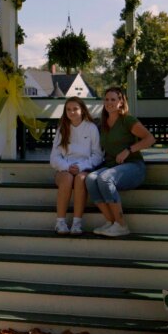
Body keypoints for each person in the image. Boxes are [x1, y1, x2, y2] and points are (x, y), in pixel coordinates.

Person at [85, 87, 156, 237]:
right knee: (90, 179)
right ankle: (112, 222)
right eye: (107, 99)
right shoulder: (101, 124)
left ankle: (122, 225)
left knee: (105, 178)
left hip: (134, 167)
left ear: (121, 102)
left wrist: (129, 150)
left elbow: (150, 139)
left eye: (113, 99)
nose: (109, 102)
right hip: (111, 166)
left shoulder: (127, 120)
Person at [50, 97, 103, 235]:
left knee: (80, 179)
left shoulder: (91, 128)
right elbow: (54, 157)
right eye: (68, 109)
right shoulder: (62, 128)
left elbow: (97, 155)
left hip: (84, 168)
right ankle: (60, 222)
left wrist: (81, 166)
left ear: (82, 110)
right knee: (67, 179)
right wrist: (67, 167)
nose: (71, 112)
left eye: (75, 109)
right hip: (64, 169)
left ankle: (77, 223)